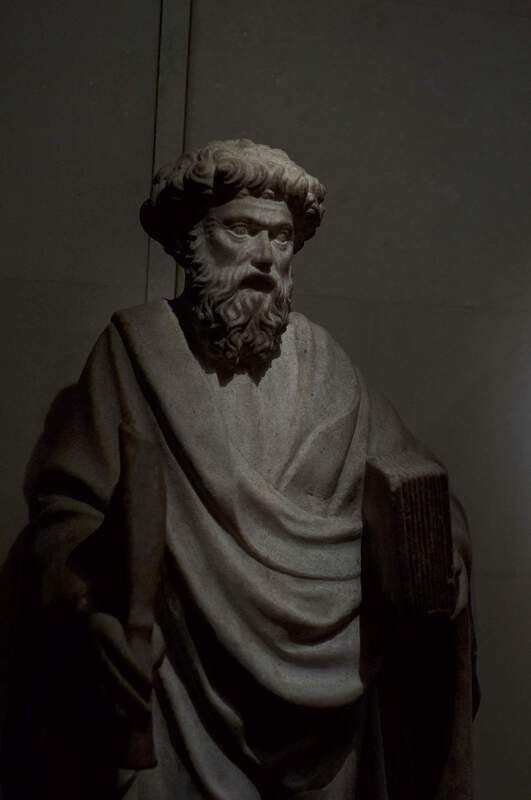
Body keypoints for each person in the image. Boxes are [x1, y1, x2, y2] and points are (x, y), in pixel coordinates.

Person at [4, 140, 476, 799]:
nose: (263, 257)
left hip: (329, 718)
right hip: (179, 696)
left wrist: (438, 550)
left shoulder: (327, 367)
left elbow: (419, 489)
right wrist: (90, 604)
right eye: (241, 230)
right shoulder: (136, 352)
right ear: (191, 241)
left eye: (280, 238)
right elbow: (65, 515)